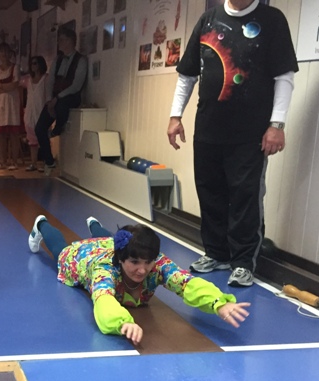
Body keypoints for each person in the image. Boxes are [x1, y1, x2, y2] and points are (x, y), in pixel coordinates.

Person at [167, 0, 298, 287]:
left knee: (245, 198)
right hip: (208, 129)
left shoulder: (272, 20)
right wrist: (175, 116)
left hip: (250, 134)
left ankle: (242, 262)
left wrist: (277, 125)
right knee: (210, 193)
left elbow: (284, 76)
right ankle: (216, 253)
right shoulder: (207, 20)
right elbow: (187, 75)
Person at [27, 215, 251, 344]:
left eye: (148, 262)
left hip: (114, 246)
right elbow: (103, 300)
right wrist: (122, 322)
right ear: (121, 259)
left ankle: (94, 224)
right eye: (134, 262)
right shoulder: (105, 271)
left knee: (110, 238)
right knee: (60, 251)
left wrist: (218, 302)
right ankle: (41, 225)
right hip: (84, 258)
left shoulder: (157, 264)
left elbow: (186, 282)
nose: (142, 270)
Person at [35, 27, 87, 176]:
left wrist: (57, 98)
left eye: (62, 40)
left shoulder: (81, 60)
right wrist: (49, 100)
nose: (59, 42)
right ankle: (49, 160)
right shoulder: (57, 60)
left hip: (70, 96)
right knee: (39, 128)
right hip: (54, 98)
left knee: (62, 105)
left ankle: (57, 129)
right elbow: (50, 81)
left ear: (70, 41)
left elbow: (76, 85)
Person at [0, 43, 23, 171]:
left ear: (10, 53)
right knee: (1, 133)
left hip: (12, 103)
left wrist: (0, 86)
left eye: (6, 51)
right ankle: (3, 161)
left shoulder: (15, 68)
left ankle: (14, 161)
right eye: (1, 52)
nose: (4, 54)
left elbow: (14, 84)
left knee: (14, 133)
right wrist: (4, 87)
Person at [20, 56, 48, 172]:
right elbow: (18, 83)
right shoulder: (28, 80)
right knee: (32, 139)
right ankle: (33, 163)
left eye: (35, 63)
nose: (33, 66)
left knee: (43, 139)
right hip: (30, 112)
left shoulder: (46, 79)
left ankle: (45, 163)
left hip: (41, 110)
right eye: (32, 63)